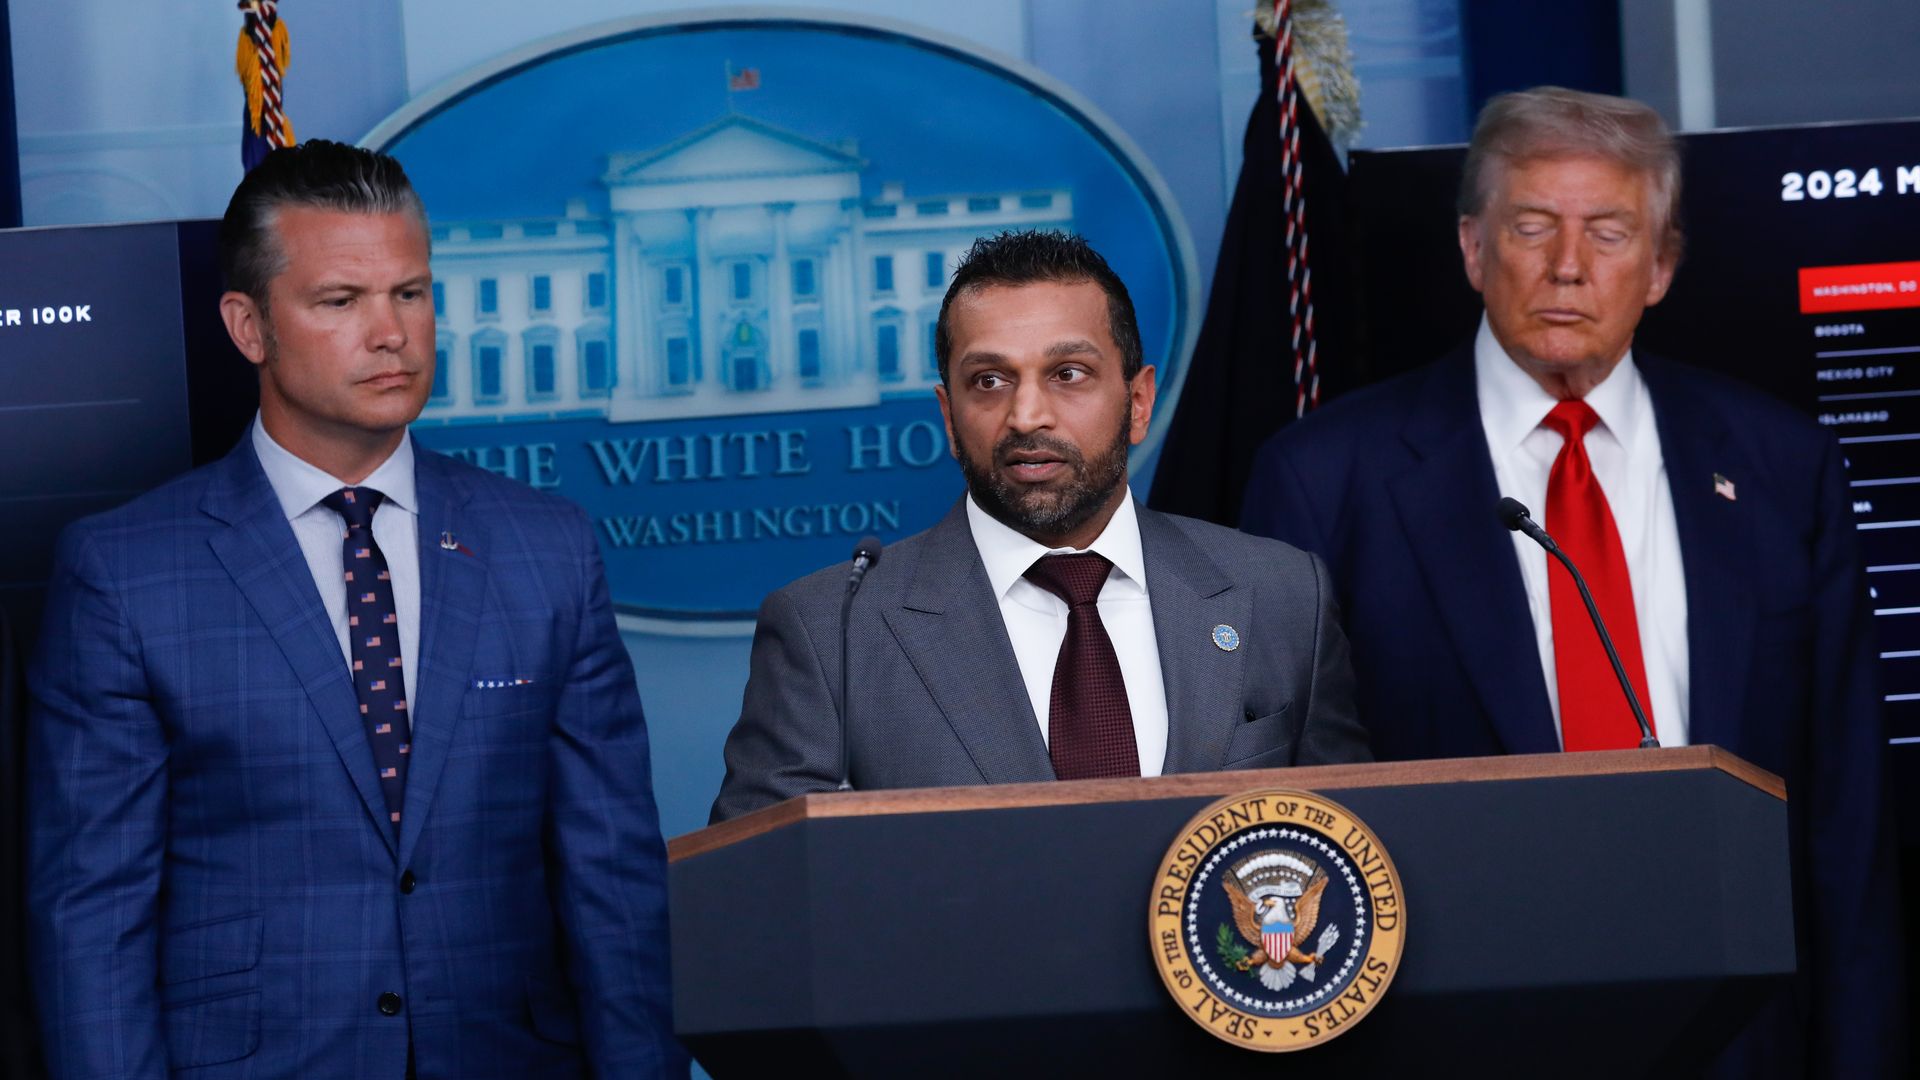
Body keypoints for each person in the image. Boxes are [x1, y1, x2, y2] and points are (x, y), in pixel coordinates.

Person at [1241, 87, 1901, 1075]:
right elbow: (1278, 815)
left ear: (1662, 265)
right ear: (1473, 249)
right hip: (1452, 1042)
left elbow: (1849, 818)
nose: (1567, 267)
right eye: (1533, 226)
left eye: (1608, 232)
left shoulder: (1779, 466)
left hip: (1742, 1044)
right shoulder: (1325, 478)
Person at [27, 141, 683, 1078]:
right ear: (249, 327)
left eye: (410, 294)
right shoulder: (125, 574)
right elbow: (90, 914)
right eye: (342, 301)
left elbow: (613, 884)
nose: (392, 335)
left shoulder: (547, 548)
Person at [711, 230, 1369, 823]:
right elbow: (763, 906)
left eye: (1067, 374)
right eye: (990, 380)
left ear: (1138, 403)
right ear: (948, 415)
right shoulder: (832, 632)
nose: (1027, 415)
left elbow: (1354, 863)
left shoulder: (1283, 596)